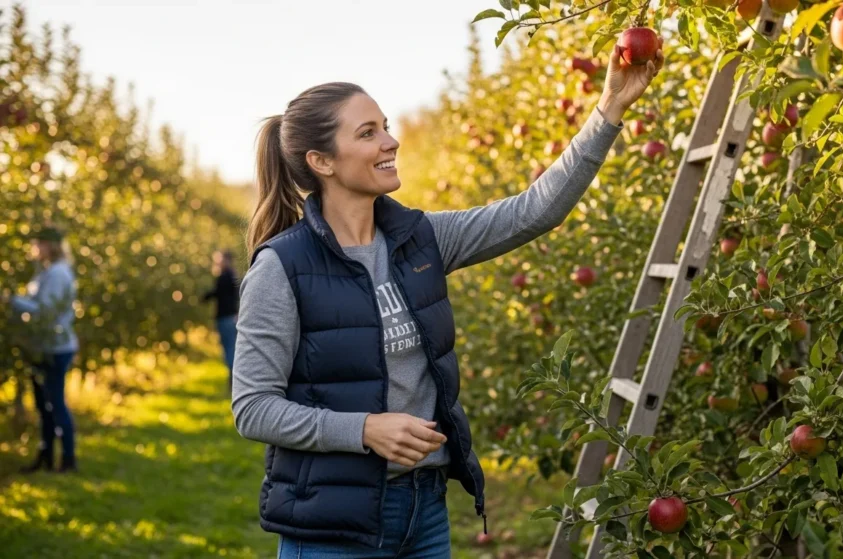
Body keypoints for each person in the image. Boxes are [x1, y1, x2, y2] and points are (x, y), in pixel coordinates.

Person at [230, 43, 663, 558]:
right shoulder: (282, 267)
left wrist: (609, 107)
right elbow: (253, 408)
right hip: (334, 525)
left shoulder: (422, 239)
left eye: (385, 126)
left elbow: (536, 210)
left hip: (425, 512)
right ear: (321, 161)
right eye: (367, 133)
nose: (390, 141)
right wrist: (364, 430)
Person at [2, 225, 80, 473]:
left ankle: (67, 459)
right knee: (44, 406)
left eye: (39, 244)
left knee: (54, 404)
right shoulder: (49, 271)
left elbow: (44, 311)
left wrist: (11, 301)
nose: (35, 248)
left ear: (50, 246)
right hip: (43, 345)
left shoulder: (57, 273)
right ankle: (46, 456)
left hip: (55, 347)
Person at [203, 249, 239, 389]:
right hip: (232, 317)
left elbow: (217, 292)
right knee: (232, 347)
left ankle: (233, 380)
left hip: (225, 317)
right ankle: (235, 379)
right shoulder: (233, 276)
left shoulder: (224, 276)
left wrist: (204, 297)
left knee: (229, 349)